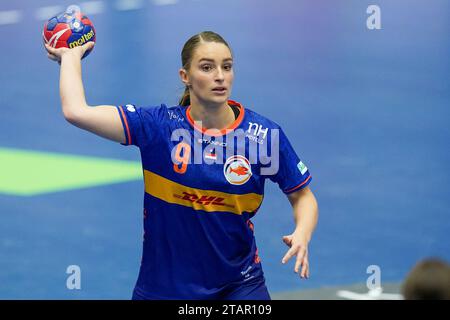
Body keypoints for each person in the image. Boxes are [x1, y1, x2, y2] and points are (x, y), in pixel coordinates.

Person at [44, 31, 319, 300]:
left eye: (227, 67)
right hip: (163, 288)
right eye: (207, 67)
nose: (220, 76)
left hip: (239, 285)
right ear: (185, 77)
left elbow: (302, 196)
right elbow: (76, 112)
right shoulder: (157, 127)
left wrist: (302, 233)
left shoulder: (262, 136)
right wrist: (70, 56)